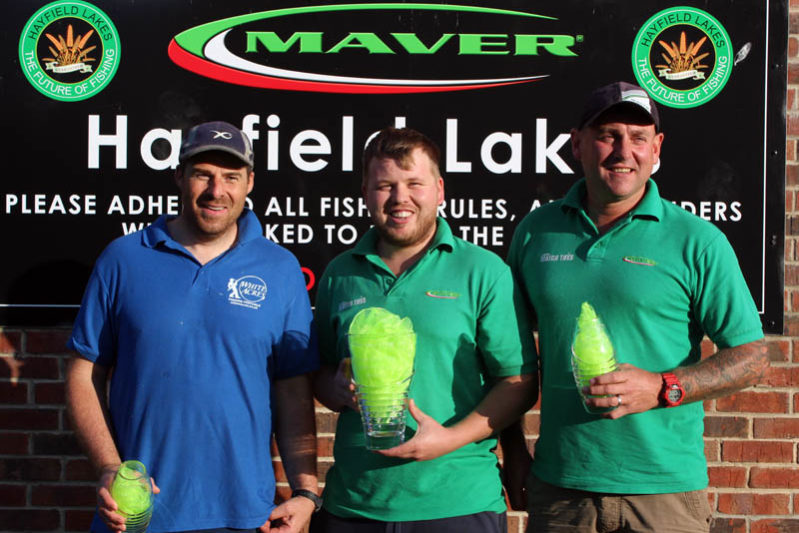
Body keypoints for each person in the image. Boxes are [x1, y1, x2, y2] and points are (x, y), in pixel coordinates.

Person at [505, 81, 770, 532]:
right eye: (608, 135)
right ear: (577, 144)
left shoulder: (697, 241)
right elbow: (509, 358)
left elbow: (751, 357)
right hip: (563, 489)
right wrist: (513, 452)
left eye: (638, 137)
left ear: (656, 148)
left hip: (664, 493)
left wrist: (663, 387)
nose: (622, 151)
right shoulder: (535, 232)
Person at [66, 121, 321, 533]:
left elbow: (293, 389)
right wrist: (109, 466)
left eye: (231, 177)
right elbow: (83, 373)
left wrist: (305, 493)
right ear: (179, 176)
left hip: (247, 517)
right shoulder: (123, 258)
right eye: (203, 174)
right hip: (137, 516)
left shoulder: (280, 267)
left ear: (249, 182)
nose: (216, 190)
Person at [311, 126, 538, 533]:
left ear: (439, 189)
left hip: (458, 502)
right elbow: (322, 373)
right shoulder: (339, 275)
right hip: (354, 505)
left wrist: (447, 439)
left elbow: (518, 381)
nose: (400, 199)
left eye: (414, 183)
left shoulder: (483, 271)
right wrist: (336, 388)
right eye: (385, 185)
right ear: (365, 191)